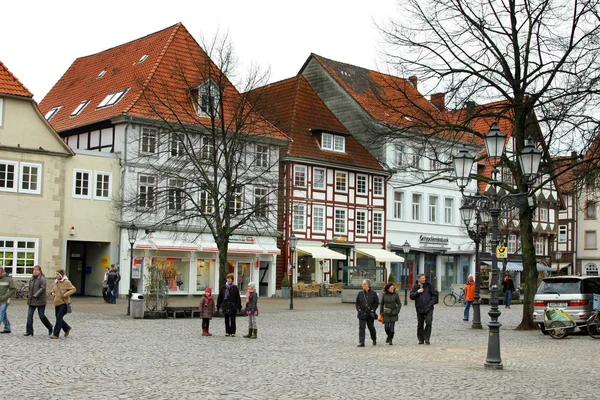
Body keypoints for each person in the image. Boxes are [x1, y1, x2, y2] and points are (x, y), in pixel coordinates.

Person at [25, 265, 54, 336]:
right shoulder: (32, 279)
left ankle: (49, 327)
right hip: (32, 301)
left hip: (40, 300)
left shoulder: (42, 279)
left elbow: (42, 288)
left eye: (36, 270)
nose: (35, 271)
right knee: (29, 316)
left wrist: (36, 295)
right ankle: (29, 331)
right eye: (34, 270)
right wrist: (29, 295)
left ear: (40, 271)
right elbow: (30, 289)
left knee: (42, 316)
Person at [410, 274, 439, 345]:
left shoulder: (429, 285)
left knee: (429, 322)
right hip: (419, 308)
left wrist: (431, 303)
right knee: (420, 324)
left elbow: (434, 295)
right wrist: (418, 292)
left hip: (429, 307)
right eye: (422, 278)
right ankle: (420, 339)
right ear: (418, 279)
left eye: (424, 278)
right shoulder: (415, 286)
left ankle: (426, 338)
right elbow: (411, 296)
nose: (424, 279)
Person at [50, 269, 76, 339]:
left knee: (59, 318)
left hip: (64, 303)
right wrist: (52, 292)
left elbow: (73, 289)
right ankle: (66, 328)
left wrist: (66, 294)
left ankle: (56, 334)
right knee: (58, 317)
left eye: (57, 274)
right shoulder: (56, 282)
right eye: (56, 274)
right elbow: (53, 289)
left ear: (61, 275)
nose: (56, 276)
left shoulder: (66, 282)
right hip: (57, 302)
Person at [355, 279, 379, 347]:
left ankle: (374, 339)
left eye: (364, 284)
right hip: (362, 313)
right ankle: (361, 342)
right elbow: (357, 303)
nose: (363, 285)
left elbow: (376, 303)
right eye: (362, 284)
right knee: (361, 328)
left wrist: (373, 310)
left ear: (368, 285)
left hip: (370, 313)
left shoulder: (373, 293)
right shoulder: (360, 293)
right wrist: (358, 309)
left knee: (371, 327)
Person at [0, 266, 16, 334]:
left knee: (1, 313)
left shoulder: (8, 279)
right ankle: (7, 327)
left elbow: (12, 290)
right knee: (3, 314)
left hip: (5, 300)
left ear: (2, 272)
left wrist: (4, 297)